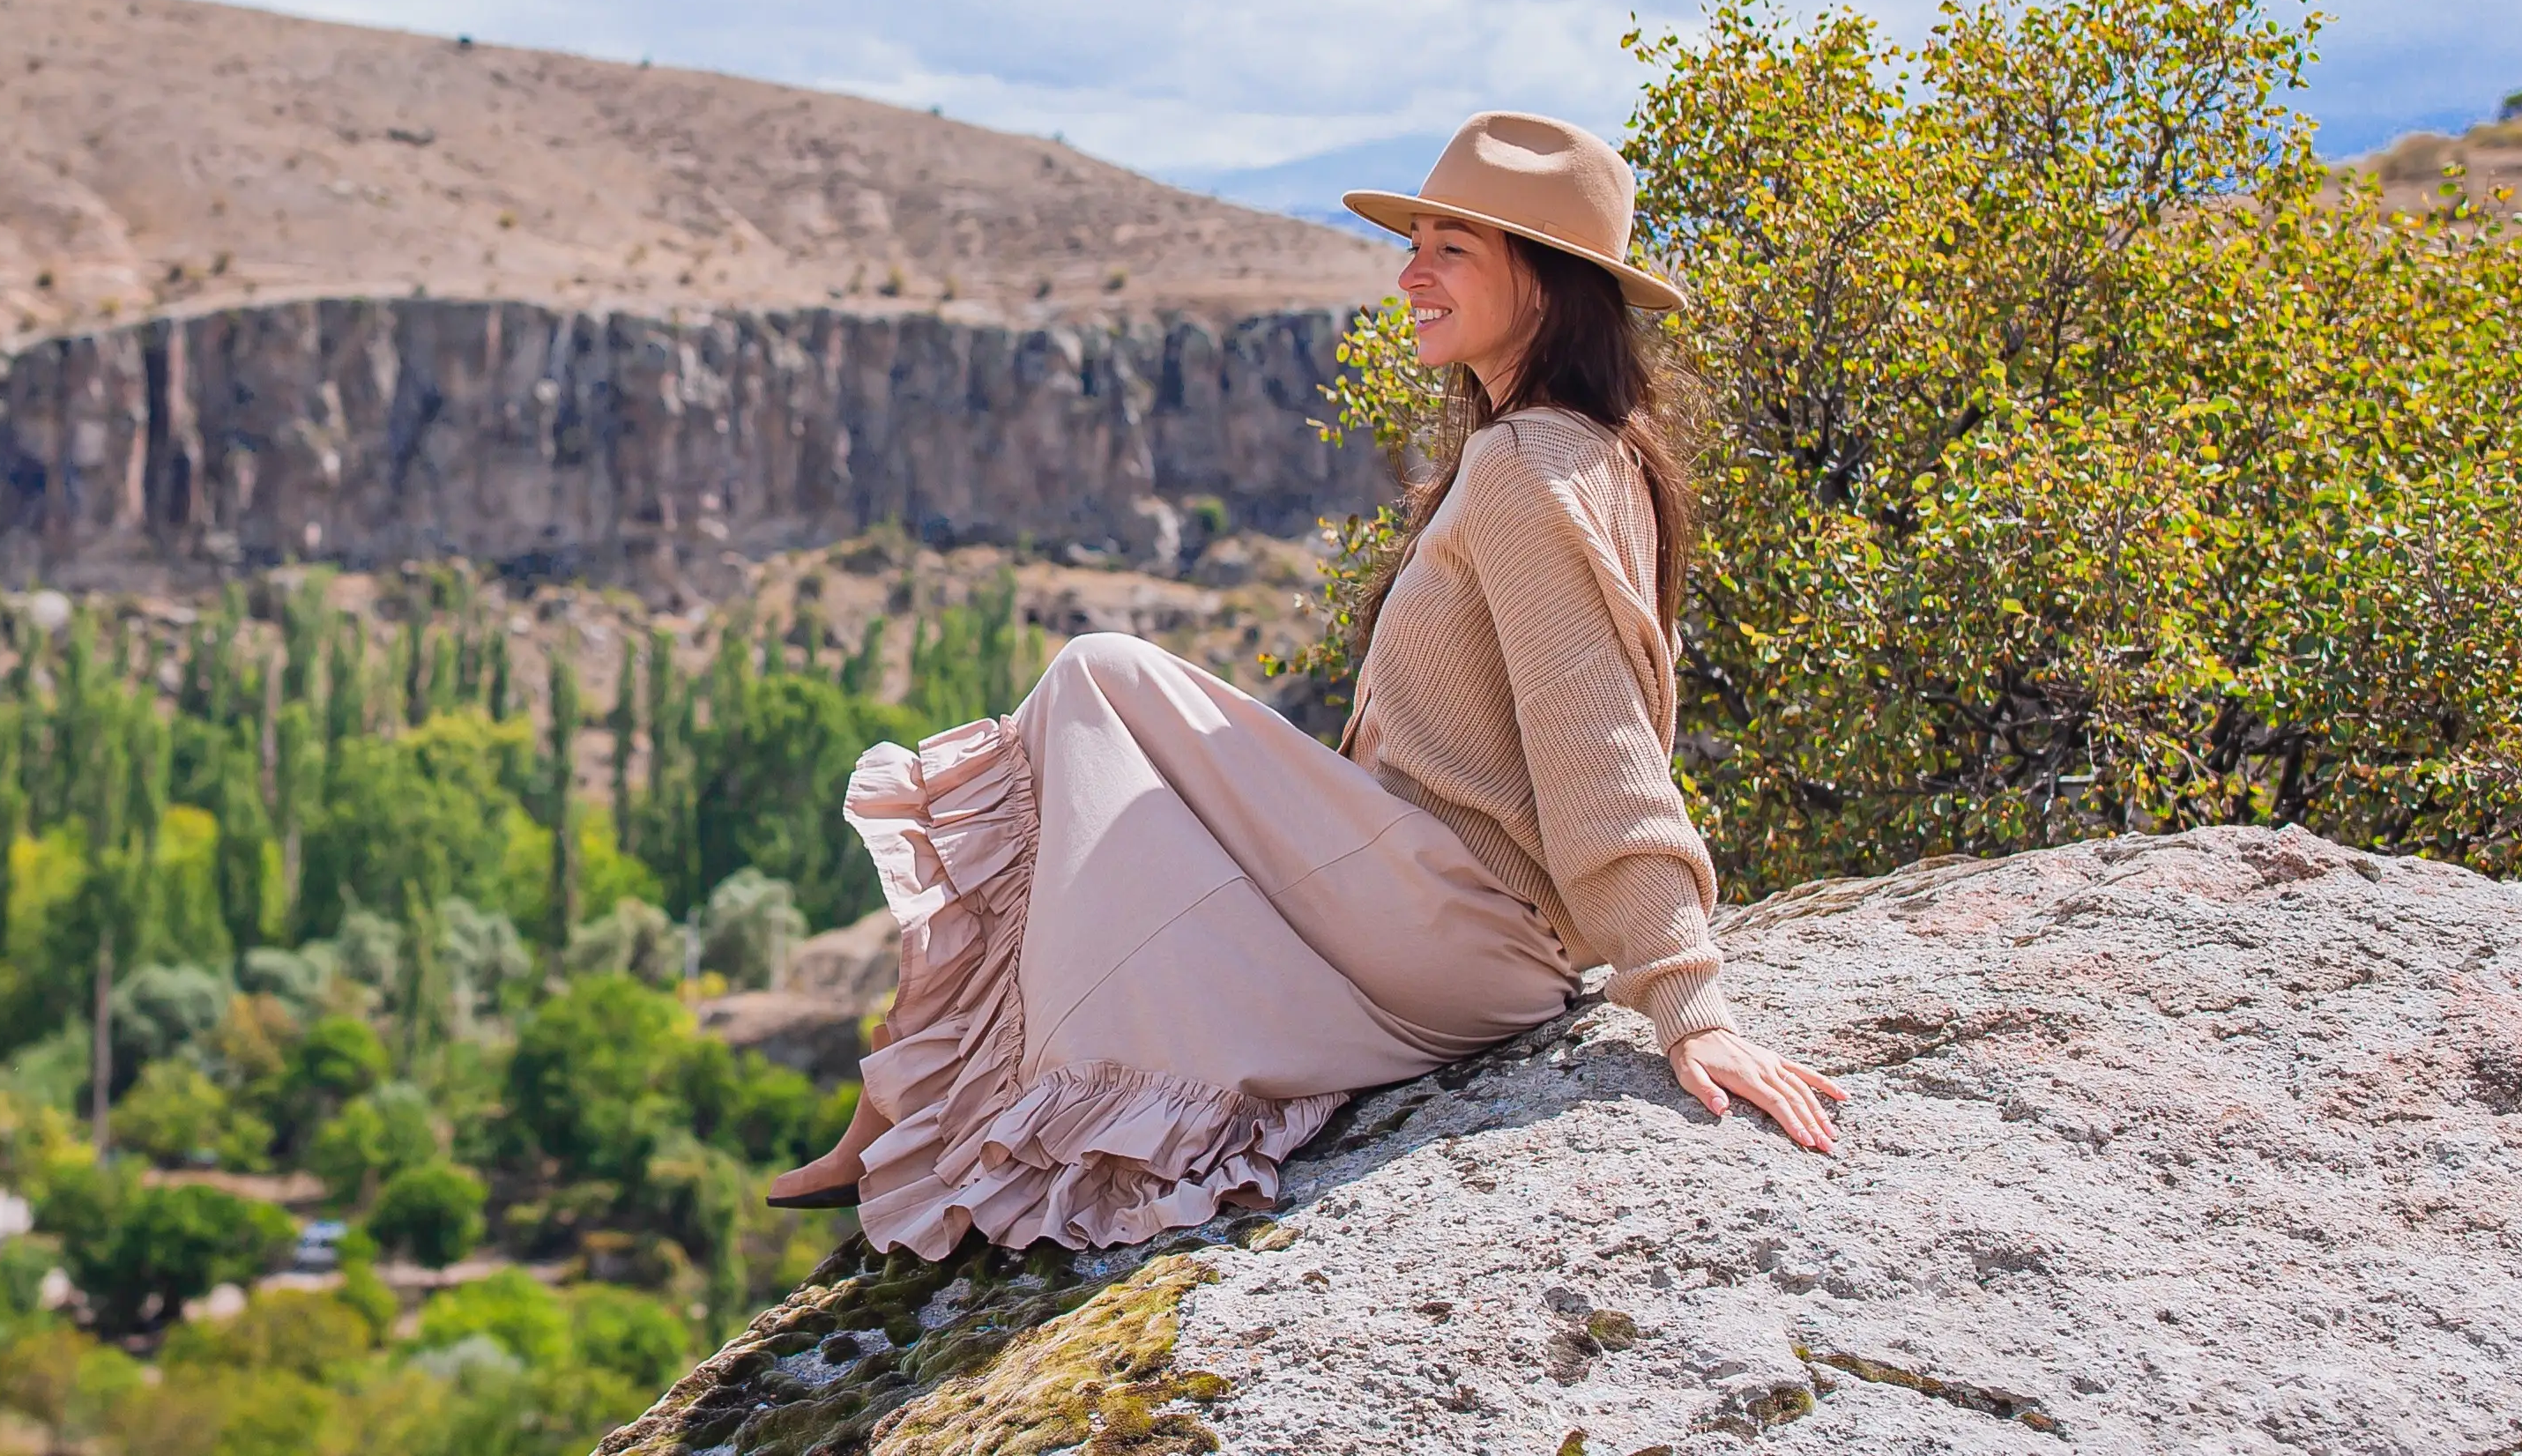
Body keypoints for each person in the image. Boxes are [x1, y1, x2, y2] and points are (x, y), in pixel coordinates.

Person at [760, 112, 1844, 1256]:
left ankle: (920, 1105)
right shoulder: (1575, 449)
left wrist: (1689, 1004)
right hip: (1441, 913)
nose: (1409, 273)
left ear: (1549, 281)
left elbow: (1600, 746)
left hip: (1466, 926)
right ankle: (922, 1103)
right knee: (1107, 714)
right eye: (1414, 241)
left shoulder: (1532, 464)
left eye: (1452, 250)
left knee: (1100, 676)